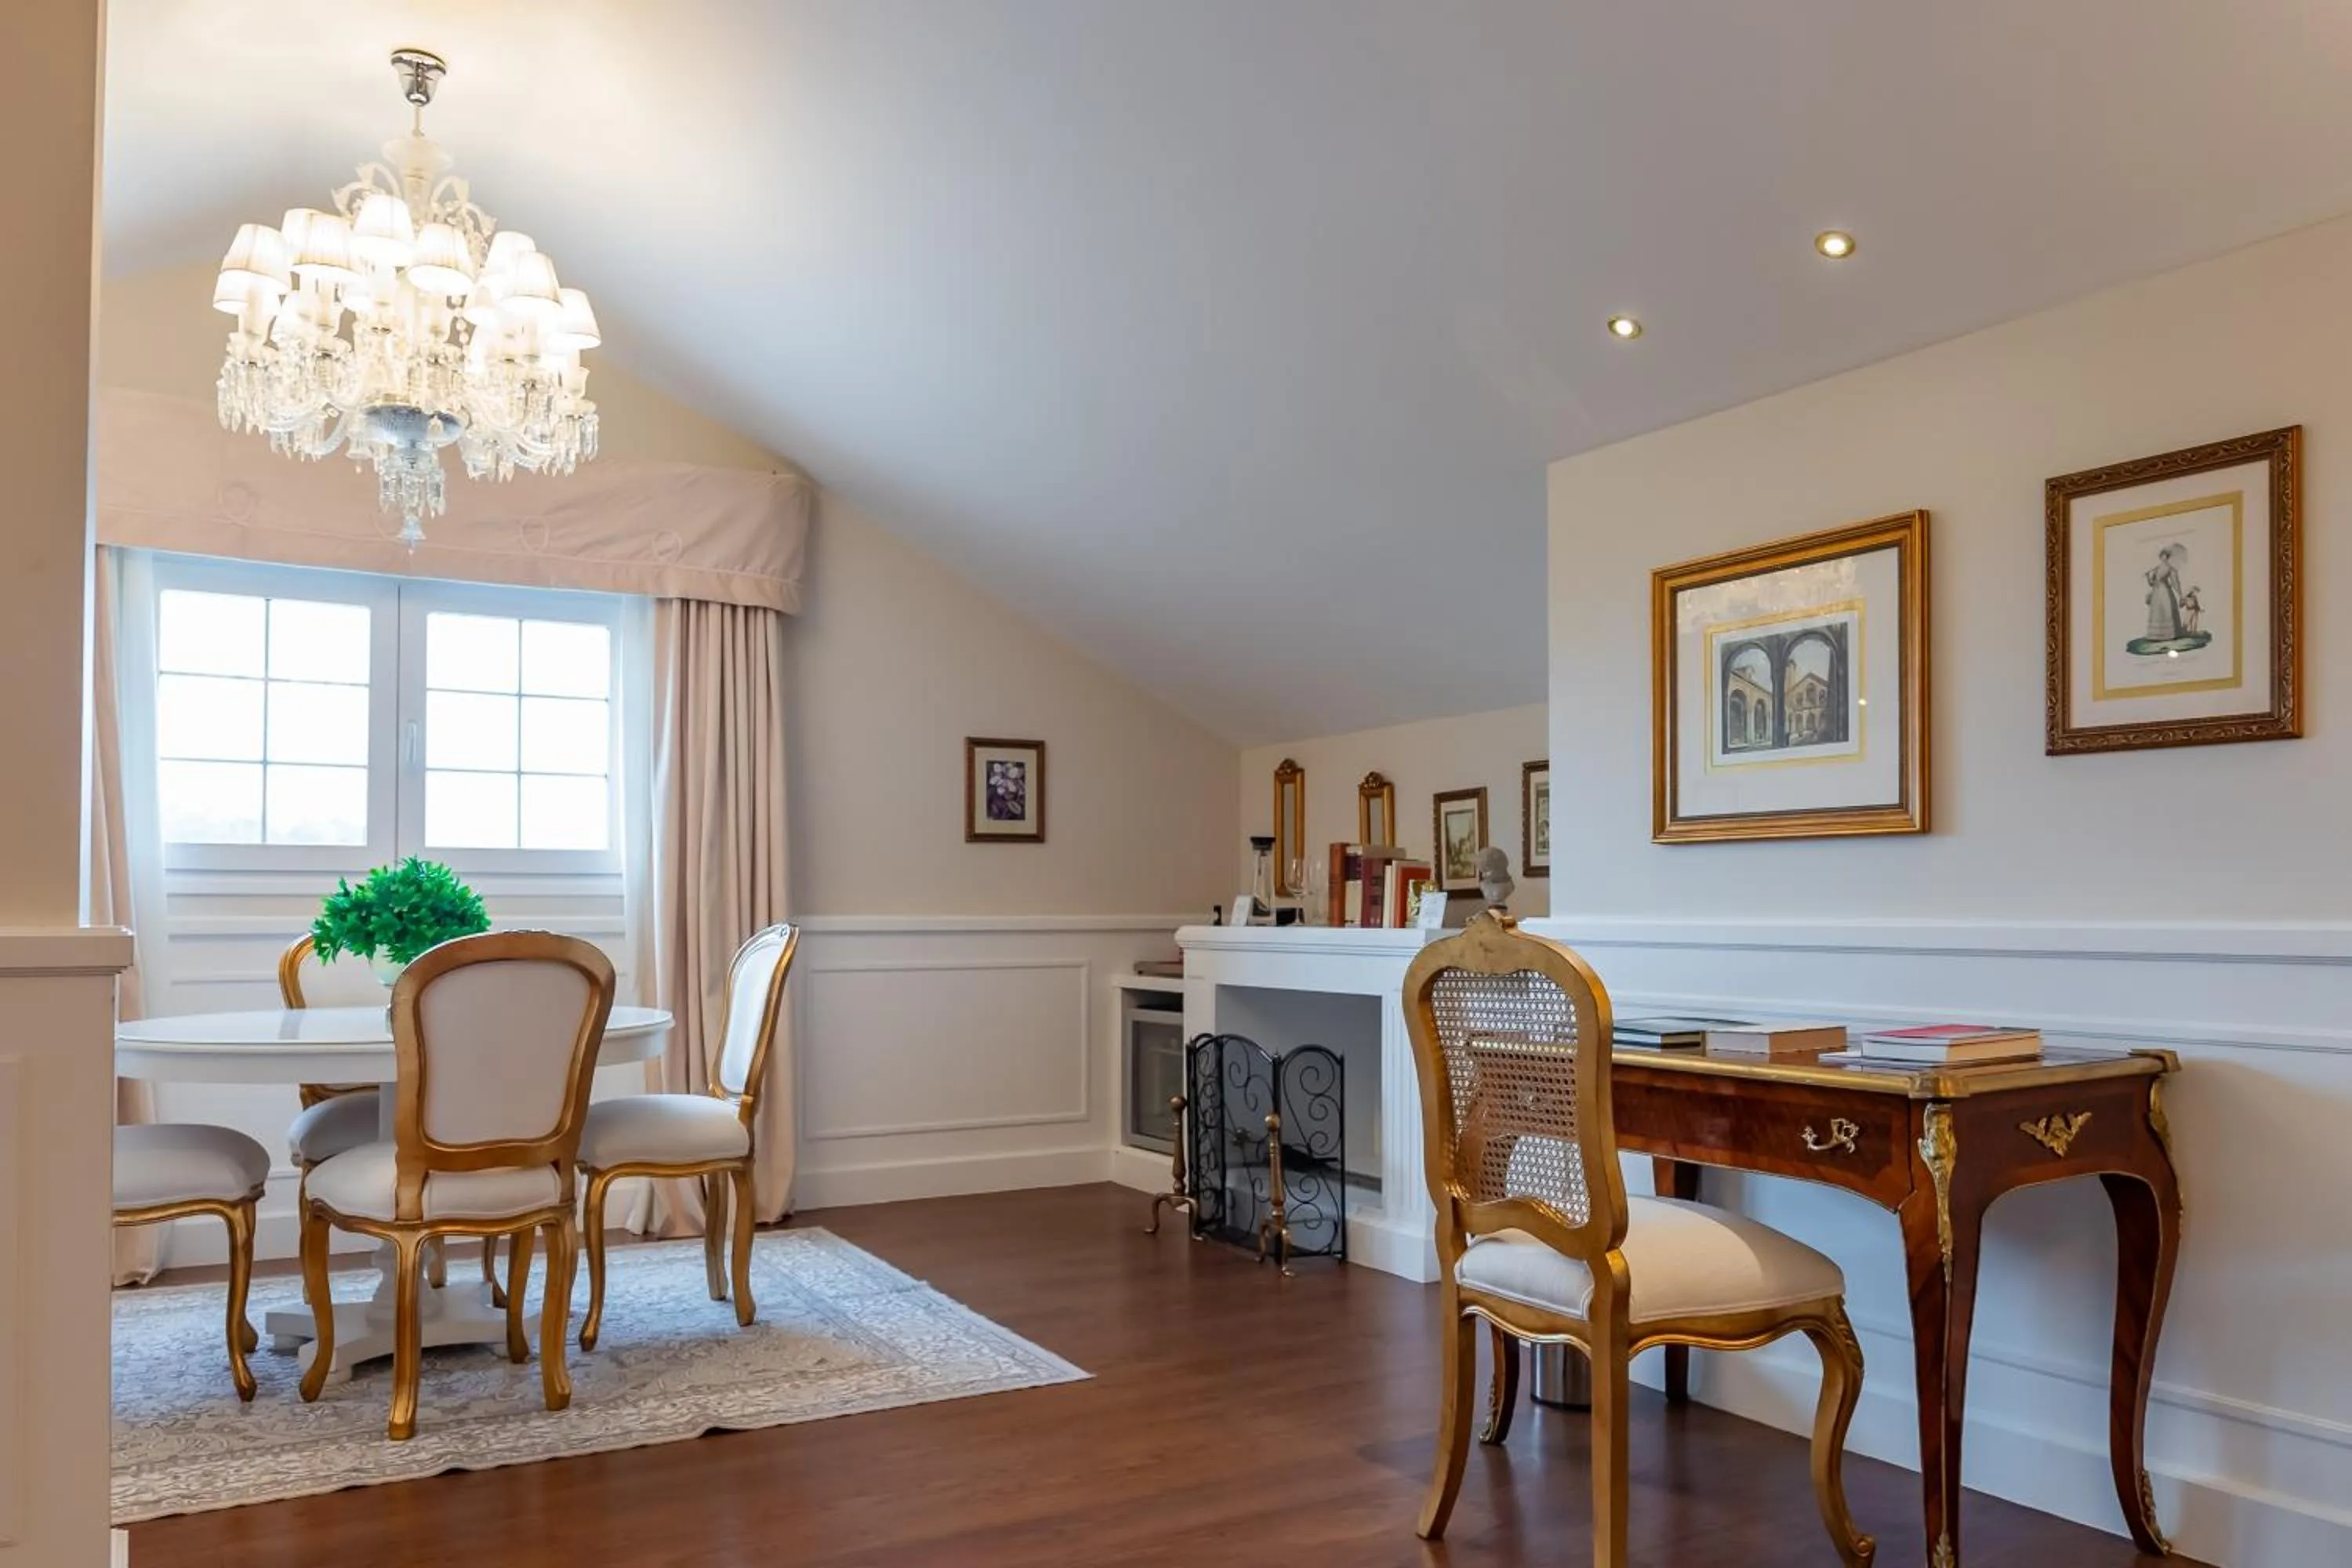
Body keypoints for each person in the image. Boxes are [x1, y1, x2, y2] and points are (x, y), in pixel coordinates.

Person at [2144, 543, 2186, 642]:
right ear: (2161, 557)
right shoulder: (2156, 569)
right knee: (2157, 613)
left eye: (2166, 556)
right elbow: (2152, 584)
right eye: (2163, 556)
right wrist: (2148, 577)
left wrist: (2180, 595)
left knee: (2166, 611)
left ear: (2168, 557)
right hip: (2156, 593)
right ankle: (2157, 636)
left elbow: (2175, 583)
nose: (2164, 558)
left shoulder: (2171, 569)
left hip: (2165, 593)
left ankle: (2170, 635)